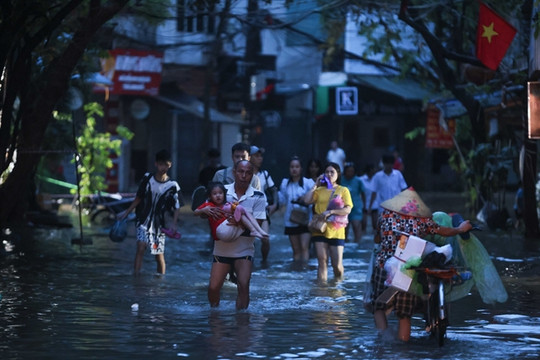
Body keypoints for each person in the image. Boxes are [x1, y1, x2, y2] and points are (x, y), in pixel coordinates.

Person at [369, 187, 472, 342]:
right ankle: (404, 351)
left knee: (378, 306)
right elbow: (443, 231)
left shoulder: (384, 215)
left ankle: (384, 342)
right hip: (409, 270)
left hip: (384, 268)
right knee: (404, 315)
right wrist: (459, 229)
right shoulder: (421, 219)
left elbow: (377, 238)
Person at [204, 160, 266, 309]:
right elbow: (207, 211)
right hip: (221, 248)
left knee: (243, 285)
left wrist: (238, 223)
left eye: (248, 172)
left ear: (252, 175)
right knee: (213, 288)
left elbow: (257, 224)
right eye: (240, 172)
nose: (244, 176)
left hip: (244, 249)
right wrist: (204, 212)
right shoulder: (221, 191)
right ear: (234, 172)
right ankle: (215, 316)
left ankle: (242, 322)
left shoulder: (258, 196)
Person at [119, 149, 183, 275]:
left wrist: (174, 224)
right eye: (160, 164)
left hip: (159, 225)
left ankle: (160, 281)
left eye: (165, 164)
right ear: (156, 164)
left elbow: (177, 206)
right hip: (142, 220)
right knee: (141, 247)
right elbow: (139, 198)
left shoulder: (173, 185)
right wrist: (126, 213)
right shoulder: (148, 178)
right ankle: (136, 276)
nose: (162, 167)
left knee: (158, 255)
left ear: (170, 165)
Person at [304, 162, 352, 282]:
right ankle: (322, 291)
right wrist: (316, 184)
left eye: (332, 172)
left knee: (337, 265)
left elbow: (348, 209)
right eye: (326, 172)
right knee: (322, 261)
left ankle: (338, 287)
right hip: (319, 228)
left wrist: (331, 212)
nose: (329, 174)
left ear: (338, 174)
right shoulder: (319, 190)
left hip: (336, 231)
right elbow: (306, 200)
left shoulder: (343, 190)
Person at [194, 182, 269, 242]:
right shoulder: (209, 206)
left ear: (224, 194)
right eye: (214, 194)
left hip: (229, 234)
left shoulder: (226, 205)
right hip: (220, 232)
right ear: (210, 196)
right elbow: (195, 212)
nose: (218, 196)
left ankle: (257, 230)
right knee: (242, 211)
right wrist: (203, 210)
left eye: (220, 193)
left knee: (242, 212)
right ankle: (256, 230)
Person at [278, 156, 315, 263]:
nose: (294, 169)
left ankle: (305, 271)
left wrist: (305, 198)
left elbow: (315, 198)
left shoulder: (308, 183)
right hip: (291, 220)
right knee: (296, 250)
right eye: (292, 167)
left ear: (301, 169)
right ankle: (296, 273)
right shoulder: (285, 183)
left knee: (304, 248)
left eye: (297, 167)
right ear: (289, 169)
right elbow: (282, 201)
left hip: (305, 220)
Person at [250, 145, 277, 262]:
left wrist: (275, 204)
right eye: (256, 156)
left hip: (262, 209)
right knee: (249, 240)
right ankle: (249, 262)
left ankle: (264, 261)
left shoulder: (264, 174)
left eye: (261, 156)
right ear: (250, 157)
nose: (260, 158)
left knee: (265, 238)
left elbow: (274, 189)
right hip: (247, 210)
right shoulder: (244, 173)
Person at [341, 163, 366, 243]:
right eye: (348, 171)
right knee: (345, 227)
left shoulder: (358, 181)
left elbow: (363, 193)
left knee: (356, 225)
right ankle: (345, 242)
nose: (350, 173)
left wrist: (364, 205)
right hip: (343, 207)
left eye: (351, 171)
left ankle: (357, 242)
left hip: (356, 207)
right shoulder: (341, 179)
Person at [360, 163, 379, 233]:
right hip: (363, 203)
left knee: (375, 224)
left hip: (374, 204)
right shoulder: (361, 180)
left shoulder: (376, 179)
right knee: (363, 224)